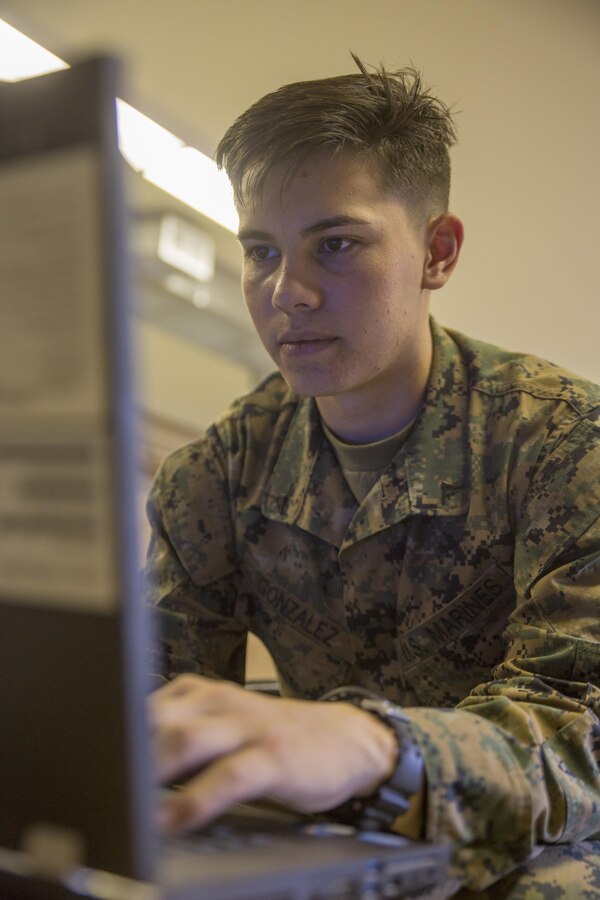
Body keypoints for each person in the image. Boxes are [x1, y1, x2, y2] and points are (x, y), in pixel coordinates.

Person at [145, 57, 600, 898]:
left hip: (536, 834)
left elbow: (581, 735)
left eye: (337, 244)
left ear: (437, 251)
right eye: (260, 252)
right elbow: (153, 704)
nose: (289, 292)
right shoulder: (216, 473)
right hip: (336, 826)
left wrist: (374, 748)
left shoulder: (566, 445)